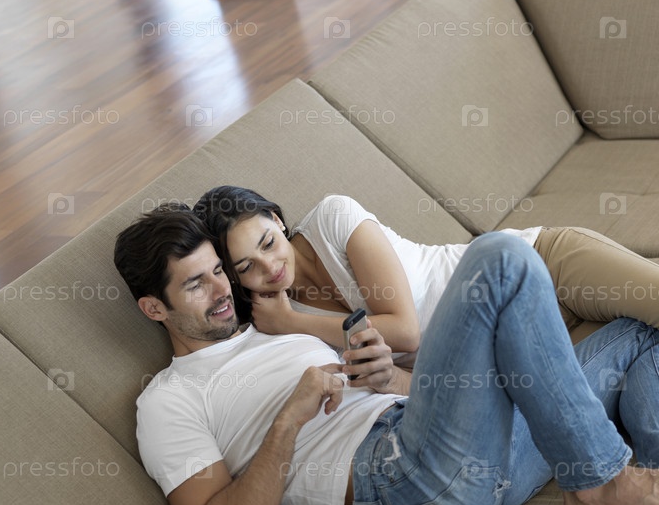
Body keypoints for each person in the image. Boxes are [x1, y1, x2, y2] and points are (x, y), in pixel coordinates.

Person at [113, 203, 659, 505]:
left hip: (478, 449)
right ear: (154, 308)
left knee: (639, 331)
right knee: (500, 257)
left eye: (217, 272)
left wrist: (389, 375)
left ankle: (641, 471)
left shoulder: (277, 321)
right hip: (407, 478)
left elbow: (416, 386)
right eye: (195, 284)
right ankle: (603, 484)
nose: (220, 292)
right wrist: (289, 419)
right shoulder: (168, 399)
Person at [193, 186, 659, 371]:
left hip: (537, 265)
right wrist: (287, 322)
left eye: (267, 243)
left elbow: (404, 331)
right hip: (519, 347)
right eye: (246, 267)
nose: (269, 268)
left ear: (277, 219)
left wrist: (294, 322)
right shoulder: (272, 321)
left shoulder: (334, 218)